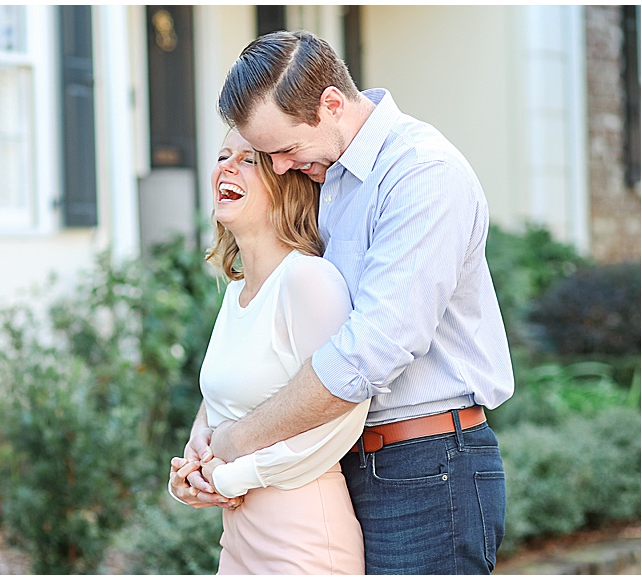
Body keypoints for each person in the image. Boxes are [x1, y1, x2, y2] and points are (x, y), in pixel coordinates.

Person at [179, 30, 516, 575]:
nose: (281, 168)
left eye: (284, 150)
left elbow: (368, 352)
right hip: (346, 463)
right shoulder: (328, 178)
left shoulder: (420, 174)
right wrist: (210, 436)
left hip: (427, 468)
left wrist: (236, 442)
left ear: (331, 104)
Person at [168, 128, 371, 574]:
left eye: (248, 160)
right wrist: (193, 468)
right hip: (237, 539)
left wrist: (231, 475)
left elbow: (343, 413)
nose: (226, 166)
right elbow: (224, 400)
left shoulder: (309, 281)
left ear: (287, 185)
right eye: (223, 156)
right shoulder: (235, 293)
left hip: (303, 542)